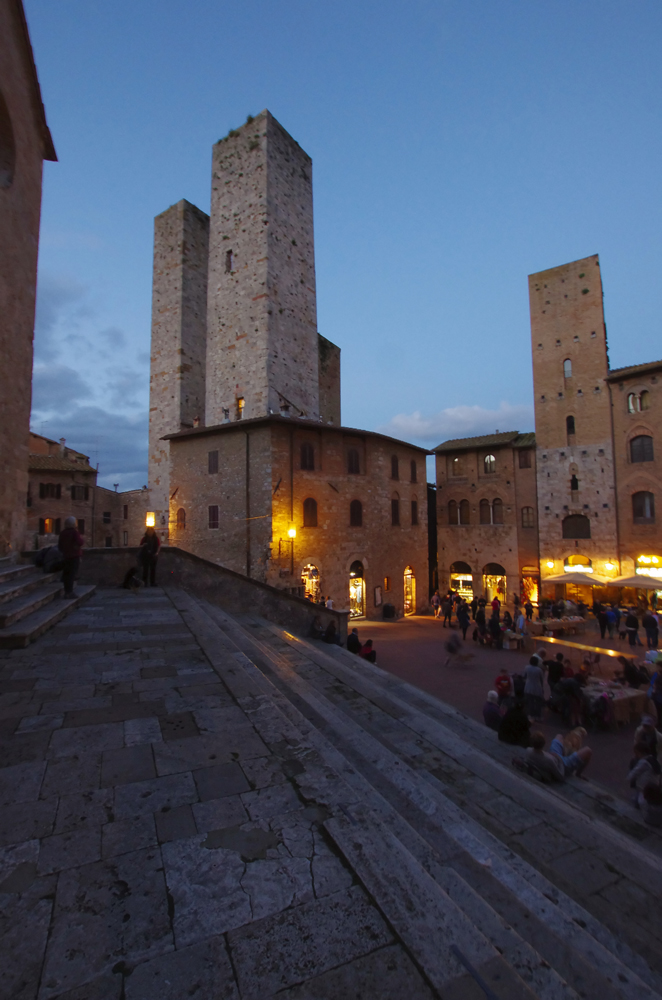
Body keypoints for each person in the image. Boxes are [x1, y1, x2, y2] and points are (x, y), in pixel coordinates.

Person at [58, 516, 83, 598]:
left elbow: (60, 546)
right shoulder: (74, 532)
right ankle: (69, 592)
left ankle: (66, 591)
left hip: (65, 556)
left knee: (66, 574)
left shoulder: (63, 533)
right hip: (74, 556)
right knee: (72, 574)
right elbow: (80, 542)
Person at [524, 654, 545, 721]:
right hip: (537, 687)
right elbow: (541, 679)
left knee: (530, 702)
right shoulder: (539, 670)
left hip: (528, 686)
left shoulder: (527, 667)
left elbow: (524, 676)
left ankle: (531, 715)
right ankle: (538, 716)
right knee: (538, 702)